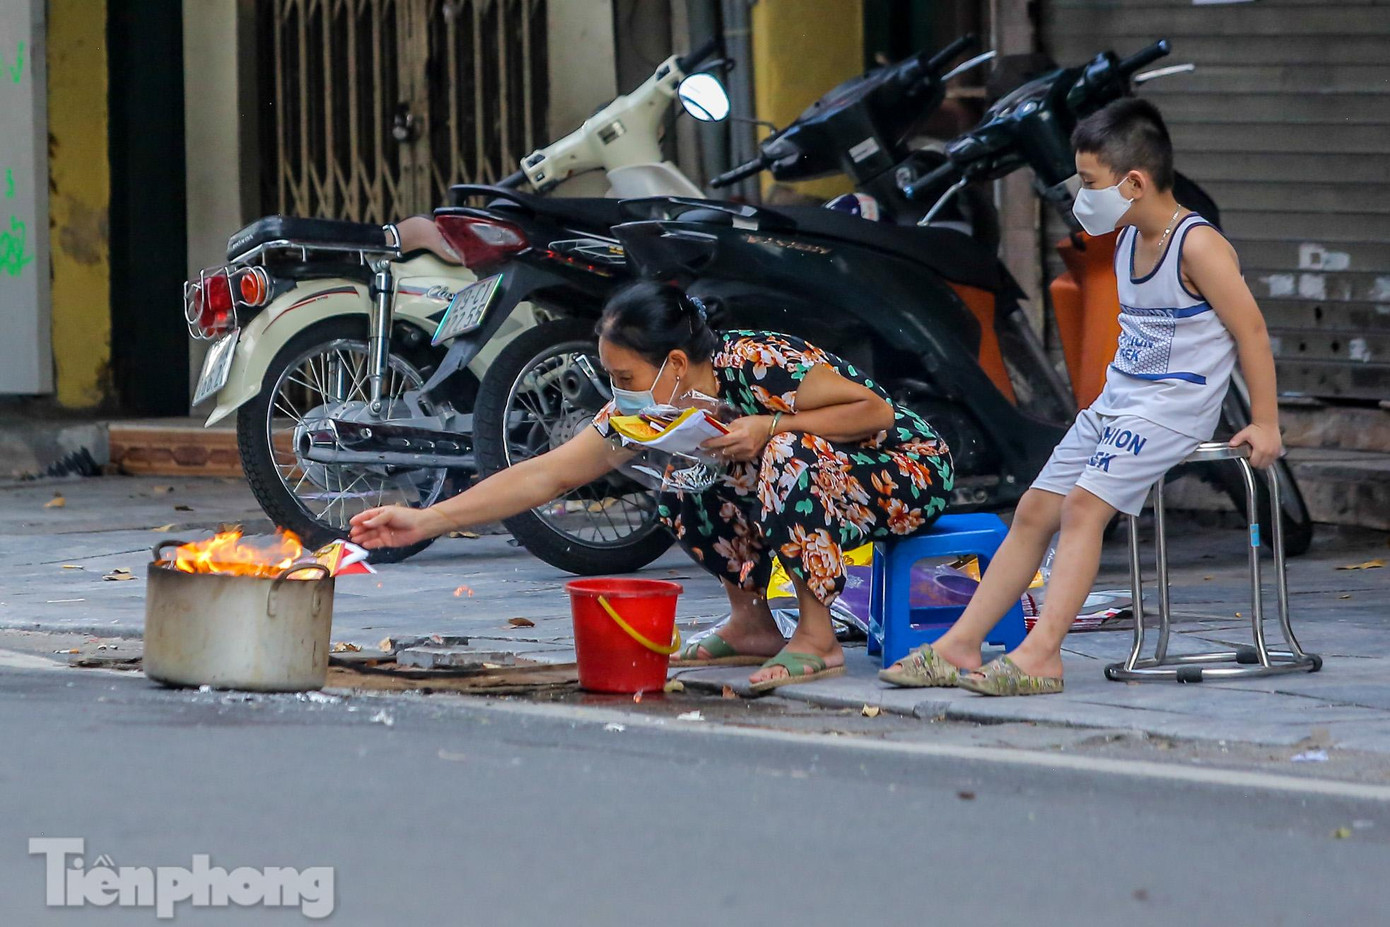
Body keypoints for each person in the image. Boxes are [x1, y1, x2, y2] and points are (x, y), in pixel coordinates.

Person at [350, 281, 954, 693]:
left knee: (786, 452)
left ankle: (818, 637)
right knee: (686, 471)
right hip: (822, 478)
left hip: (900, 471)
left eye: (624, 377)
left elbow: (874, 413)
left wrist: (772, 424)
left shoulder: (757, 363)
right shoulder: (648, 413)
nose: (618, 393)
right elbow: (549, 472)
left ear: (671, 362)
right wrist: (426, 520)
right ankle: (750, 624)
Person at [880, 98, 1283, 696]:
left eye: (1090, 183)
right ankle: (957, 646)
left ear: (1135, 182)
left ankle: (1043, 655)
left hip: (1174, 406)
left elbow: (1250, 330)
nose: (1081, 196)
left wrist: (1267, 423)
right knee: (1034, 510)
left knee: (1083, 510)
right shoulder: (1124, 241)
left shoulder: (1197, 246)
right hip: (1120, 402)